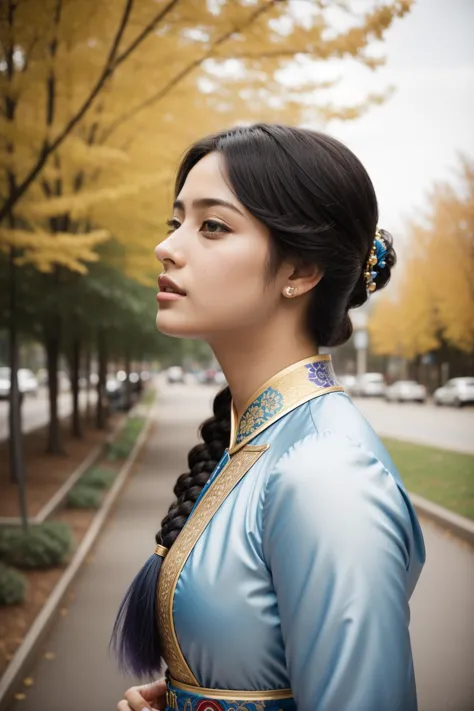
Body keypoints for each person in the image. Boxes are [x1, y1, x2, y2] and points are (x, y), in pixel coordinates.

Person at [113, 124, 426, 711]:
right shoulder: (256, 439)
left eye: (212, 225)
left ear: (301, 272)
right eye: (175, 221)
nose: (169, 246)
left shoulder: (327, 472)